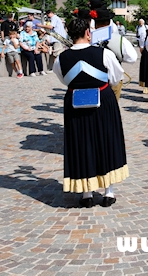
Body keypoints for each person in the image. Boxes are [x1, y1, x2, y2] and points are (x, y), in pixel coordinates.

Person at [54, 12, 128, 208]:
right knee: (106, 141)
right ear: (88, 32)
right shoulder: (104, 53)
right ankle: (108, 192)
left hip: (75, 102)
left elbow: (63, 80)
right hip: (103, 100)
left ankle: (86, 193)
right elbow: (116, 77)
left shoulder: (61, 58)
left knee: (81, 143)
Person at [89, 6, 138, 101]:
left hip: (94, 78)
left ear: (95, 24)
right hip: (114, 78)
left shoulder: (88, 39)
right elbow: (132, 58)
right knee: (112, 108)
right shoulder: (120, 39)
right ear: (109, 23)